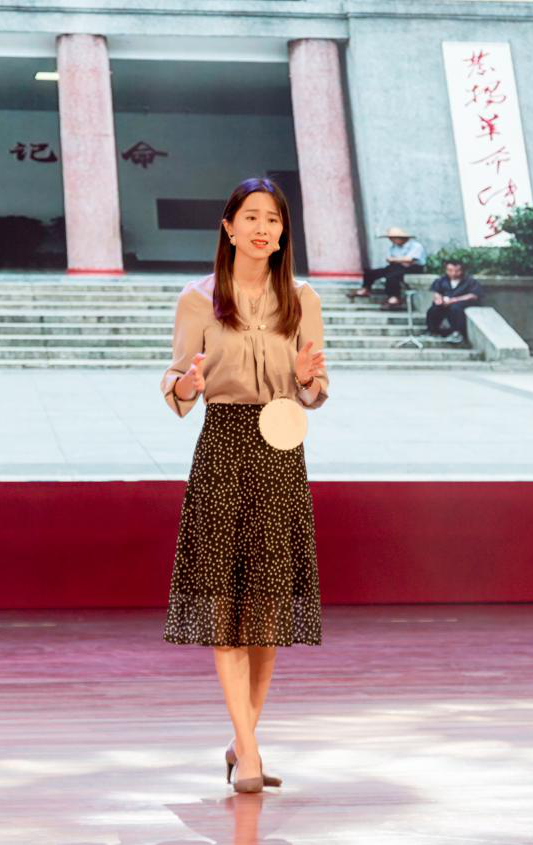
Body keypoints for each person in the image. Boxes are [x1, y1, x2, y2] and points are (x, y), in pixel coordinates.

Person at [160, 176, 329, 795]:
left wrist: (307, 379)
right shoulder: (198, 298)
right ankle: (250, 750)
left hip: (282, 448)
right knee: (226, 609)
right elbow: (175, 379)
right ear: (228, 228)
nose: (263, 228)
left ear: (283, 234)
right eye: (251, 217)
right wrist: (187, 385)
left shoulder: (302, 298)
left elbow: (316, 389)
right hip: (225, 446)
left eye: (274, 220)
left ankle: (242, 741)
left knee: (268, 612)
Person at [347, 226, 426, 311]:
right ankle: (365, 289)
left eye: (393, 238)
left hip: (413, 267)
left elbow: (410, 260)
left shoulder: (416, 246)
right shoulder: (394, 247)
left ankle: (394, 298)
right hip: (397, 266)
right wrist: (397, 261)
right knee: (371, 272)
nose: (391, 240)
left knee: (392, 276)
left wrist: (396, 260)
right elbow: (391, 259)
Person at [427, 258, 483, 340]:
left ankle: (457, 333)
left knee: (455, 308)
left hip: (461, 304)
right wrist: (439, 299)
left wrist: (454, 300)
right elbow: (437, 292)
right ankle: (432, 331)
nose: (453, 273)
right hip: (445, 303)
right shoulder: (441, 280)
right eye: (450, 270)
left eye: (457, 271)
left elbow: (473, 295)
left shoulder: (470, 281)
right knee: (434, 309)